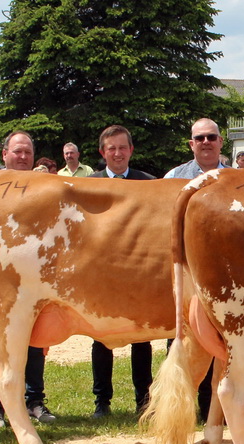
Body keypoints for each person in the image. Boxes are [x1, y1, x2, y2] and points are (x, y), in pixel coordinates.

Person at [0, 131, 55, 428]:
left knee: (36, 340)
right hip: (0, 277)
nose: (23, 156)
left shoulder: (45, 187)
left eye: (27, 151)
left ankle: (35, 400)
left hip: (36, 276)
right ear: (4, 154)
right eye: (17, 151)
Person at [88, 125, 155, 417]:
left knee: (142, 337)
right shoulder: (89, 185)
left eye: (122, 147)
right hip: (101, 272)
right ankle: (102, 402)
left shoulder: (149, 183)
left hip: (138, 271)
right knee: (101, 337)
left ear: (131, 150)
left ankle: (144, 399)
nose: (117, 153)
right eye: (111, 148)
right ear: (103, 153)